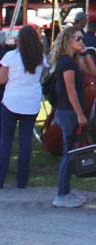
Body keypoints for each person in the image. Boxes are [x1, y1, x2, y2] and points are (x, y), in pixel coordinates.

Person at [0, 25, 45, 189]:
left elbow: (2, 80)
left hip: (11, 100)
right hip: (31, 102)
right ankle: (22, 180)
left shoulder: (10, 56)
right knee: (26, 141)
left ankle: (1, 179)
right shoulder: (40, 58)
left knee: (6, 141)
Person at [49, 27, 89, 208]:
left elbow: (93, 72)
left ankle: (65, 190)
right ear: (67, 41)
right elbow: (70, 91)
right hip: (68, 111)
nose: (80, 41)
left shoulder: (73, 61)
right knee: (69, 152)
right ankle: (62, 193)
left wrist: (85, 52)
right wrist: (80, 114)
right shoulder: (67, 63)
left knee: (71, 151)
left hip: (69, 110)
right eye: (77, 38)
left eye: (81, 38)